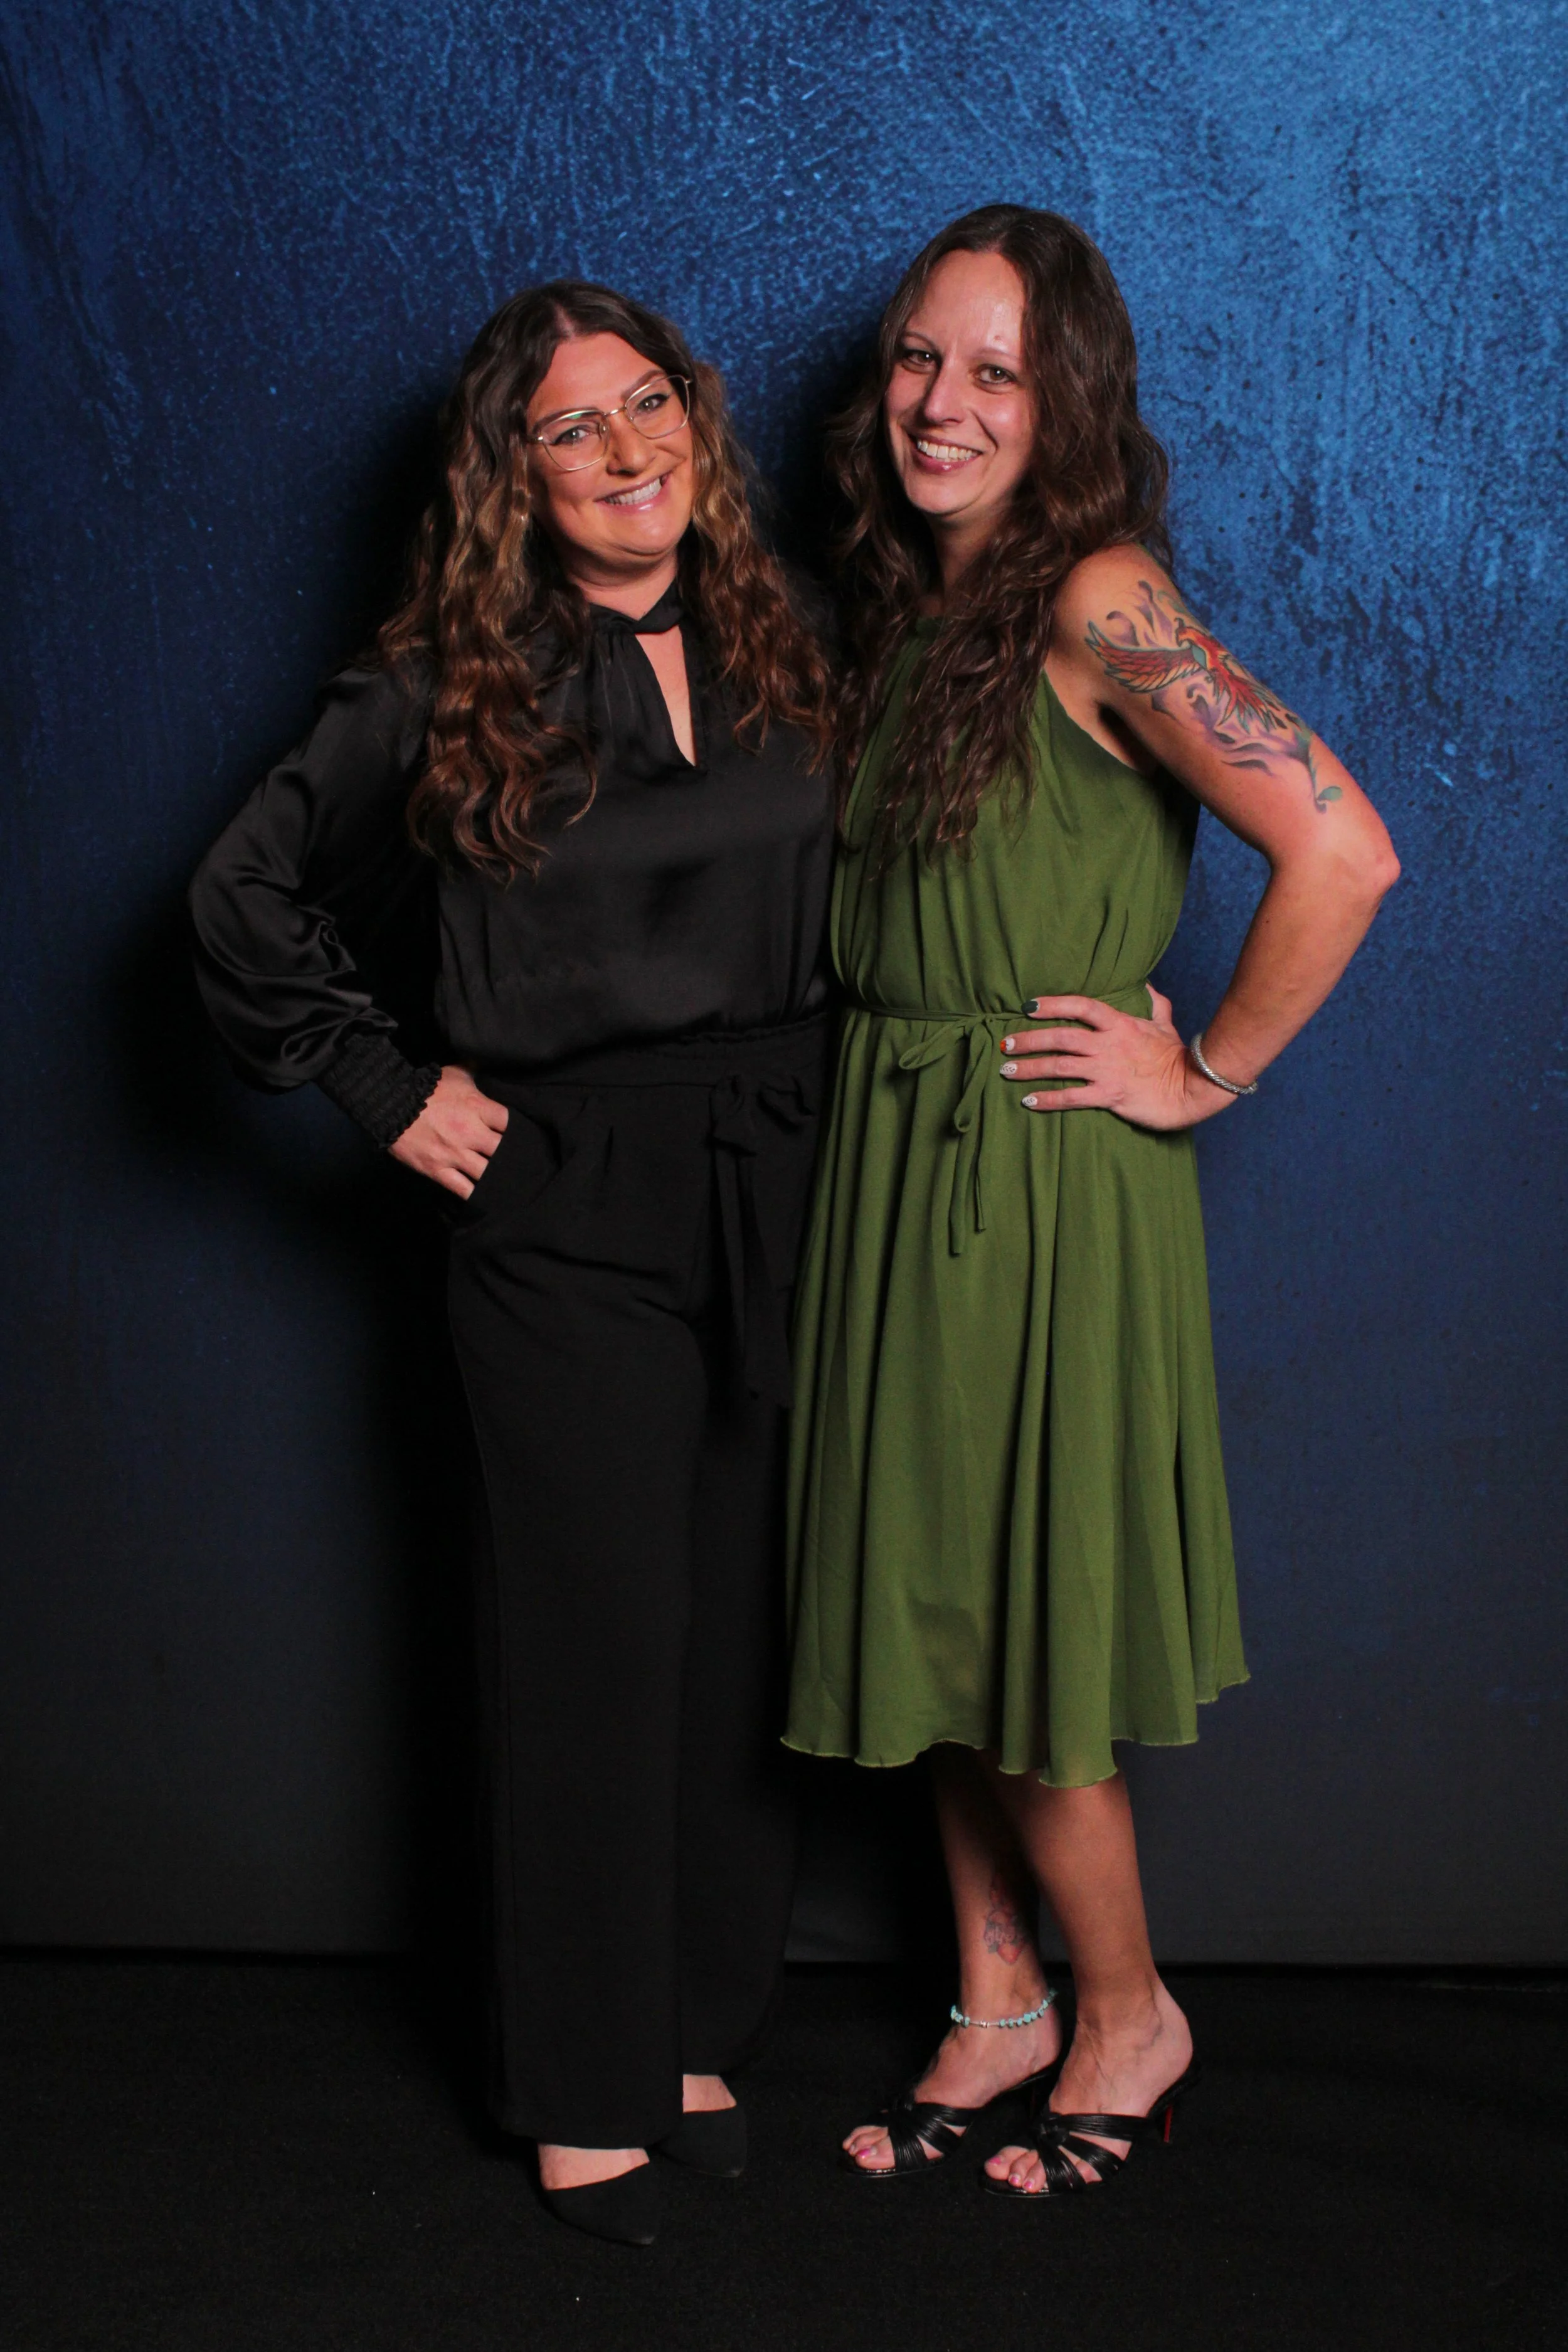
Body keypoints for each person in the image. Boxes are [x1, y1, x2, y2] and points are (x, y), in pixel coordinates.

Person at [190, 282, 836, 2245]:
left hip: (784, 1166)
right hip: (564, 1200)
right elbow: (238, 897)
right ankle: (579, 2079)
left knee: (743, 1627)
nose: (629, 449)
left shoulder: (787, 632)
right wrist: (383, 1087)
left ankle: (696, 2019)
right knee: (590, 1643)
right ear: (509, 470)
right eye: (573, 425)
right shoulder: (438, 679)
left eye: (651, 404)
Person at [784, 206, 1399, 2199]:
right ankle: (998, 1996)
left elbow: (1344, 851)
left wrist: (1200, 1066)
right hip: (894, 1157)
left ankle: (1128, 2006)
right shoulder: (907, 612)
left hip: (1035, 1176)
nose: (939, 402)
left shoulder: (1100, 600)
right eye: (915, 358)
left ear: (1066, 404)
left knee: (1020, 1630)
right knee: (934, 1613)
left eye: (992, 369)